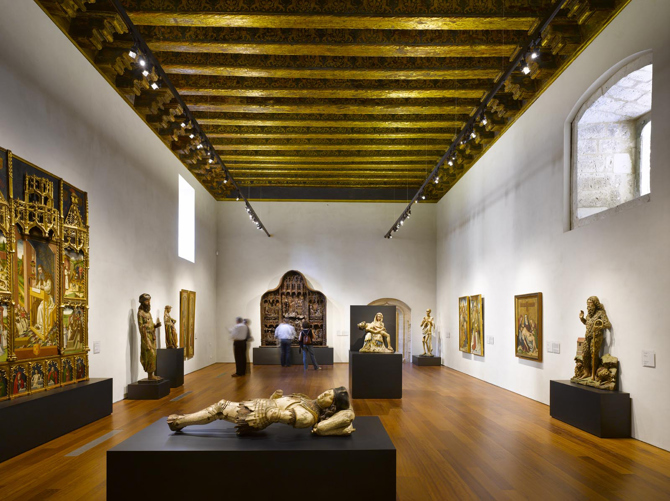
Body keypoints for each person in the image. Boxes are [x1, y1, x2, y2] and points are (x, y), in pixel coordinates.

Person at [167, 387, 355, 436]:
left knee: (220, 408)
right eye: (327, 391)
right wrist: (274, 398)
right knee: (220, 409)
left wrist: (276, 409)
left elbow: (277, 415)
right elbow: (279, 405)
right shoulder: (306, 400)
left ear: (331, 406)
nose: (324, 394)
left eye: (329, 396)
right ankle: (182, 420)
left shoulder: (308, 416)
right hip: (258, 406)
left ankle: (179, 422)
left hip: (256, 415)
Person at [137, 293, 162, 380]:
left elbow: (150, 323)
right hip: (146, 336)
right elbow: (141, 327)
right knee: (150, 354)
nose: (149, 302)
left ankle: (151, 374)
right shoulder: (140, 313)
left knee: (154, 354)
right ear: (142, 302)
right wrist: (146, 339)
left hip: (152, 336)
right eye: (147, 301)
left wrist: (155, 325)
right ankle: (150, 375)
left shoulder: (148, 313)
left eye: (149, 301)